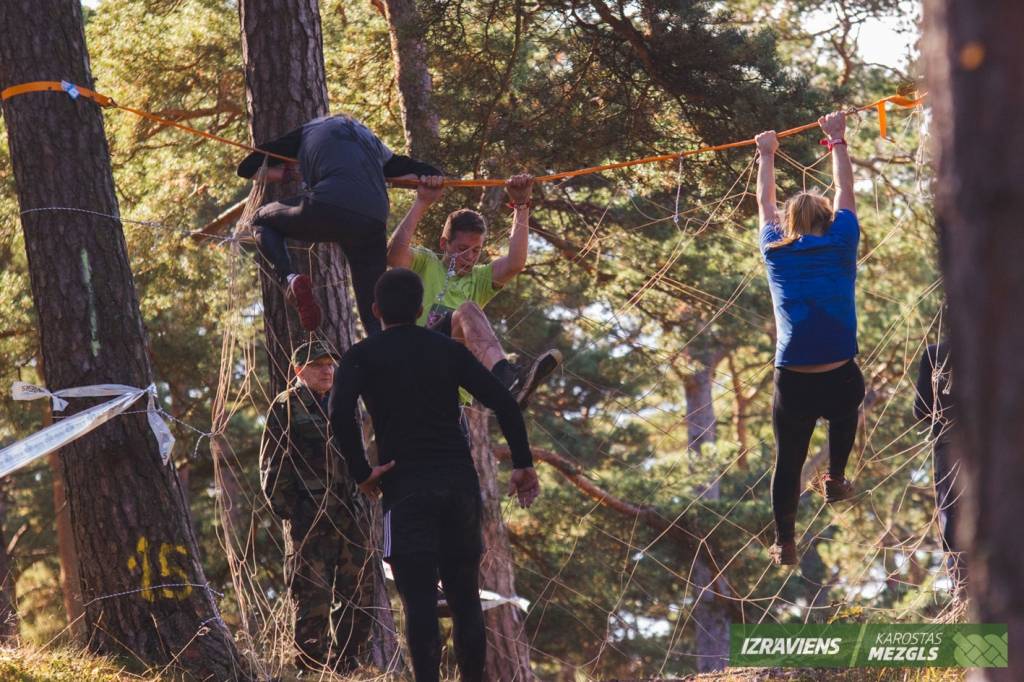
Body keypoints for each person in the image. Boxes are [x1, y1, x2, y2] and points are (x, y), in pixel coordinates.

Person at [329, 268, 540, 682]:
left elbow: (339, 413)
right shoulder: (448, 350)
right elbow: (505, 401)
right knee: (465, 600)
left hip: (404, 488)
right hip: (459, 485)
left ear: (375, 311)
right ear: (422, 308)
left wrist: (361, 472)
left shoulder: (361, 355)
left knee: (419, 603)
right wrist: (521, 463)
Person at [755, 111, 867, 566]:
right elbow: (847, 192)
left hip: (794, 378)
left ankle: (784, 539)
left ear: (790, 224)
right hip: (839, 370)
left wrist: (766, 154)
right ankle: (836, 476)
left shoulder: (776, 252)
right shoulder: (842, 242)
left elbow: (764, 203)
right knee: (847, 411)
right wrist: (837, 139)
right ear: (828, 218)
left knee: (788, 461)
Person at [237, 114, 443, 334]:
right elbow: (408, 167)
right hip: (373, 219)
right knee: (374, 308)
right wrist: (433, 176)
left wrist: (287, 174)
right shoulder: (369, 139)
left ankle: (289, 280)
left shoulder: (305, 132)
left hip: (330, 205)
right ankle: (385, 352)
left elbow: (247, 168)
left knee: (260, 220)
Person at [387, 173, 561, 407]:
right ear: (443, 244)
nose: (469, 257)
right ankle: (506, 379)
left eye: (476, 251)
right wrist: (422, 202)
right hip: (416, 363)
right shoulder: (426, 263)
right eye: (462, 248)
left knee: (454, 441)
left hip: (450, 393)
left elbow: (515, 263)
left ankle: (512, 387)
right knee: (467, 309)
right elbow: (394, 254)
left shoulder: (479, 279)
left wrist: (521, 206)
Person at [259, 341, 374, 672]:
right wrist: (292, 511)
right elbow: (273, 464)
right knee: (313, 597)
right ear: (299, 371)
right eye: (318, 365)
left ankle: (349, 667)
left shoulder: (343, 402)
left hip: (349, 512)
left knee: (358, 593)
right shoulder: (286, 406)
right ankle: (311, 670)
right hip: (309, 516)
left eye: (330, 364)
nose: (327, 370)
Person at [913, 340, 964, 586]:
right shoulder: (1007, 349)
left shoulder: (935, 353)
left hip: (950, 447)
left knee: (953, 516)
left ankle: (960, 588)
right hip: (998, 446)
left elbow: (920, 409)